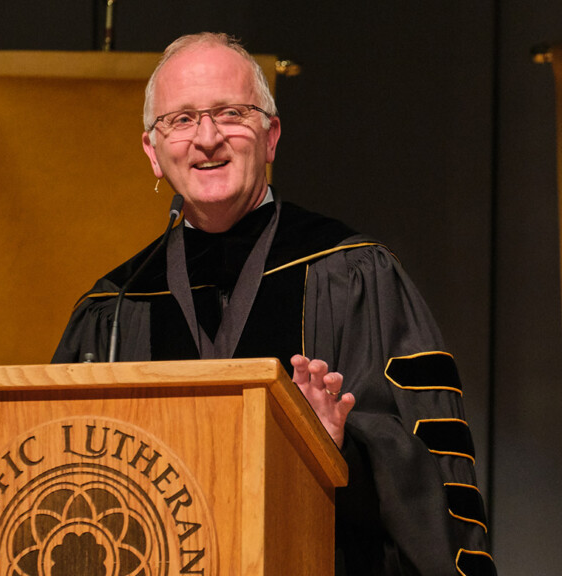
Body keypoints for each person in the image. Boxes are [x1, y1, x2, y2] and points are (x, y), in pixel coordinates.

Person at [53, 32, 496, 576]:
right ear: (153, 151)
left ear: (271, 136)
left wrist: (340, 449)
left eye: (230, 113)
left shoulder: (355, 274)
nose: (207, 138)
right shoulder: (116, 307)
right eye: (182, 119)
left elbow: (433, 467)